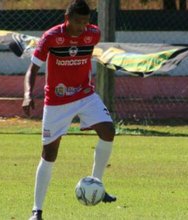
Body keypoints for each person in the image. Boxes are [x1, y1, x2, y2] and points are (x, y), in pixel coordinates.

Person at [22, 1, 116, 219]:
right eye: (77, 21)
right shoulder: (51, 37)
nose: (81, 26)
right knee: (49, 154)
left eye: (85, 21)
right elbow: (32, 69)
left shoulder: (94, 34)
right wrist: (27, 95)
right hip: (57, 101)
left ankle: (97, 184)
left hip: (85, 95)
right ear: (67, 18)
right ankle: (37, 210)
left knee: (108, 131)